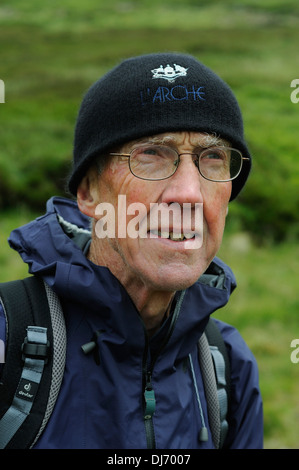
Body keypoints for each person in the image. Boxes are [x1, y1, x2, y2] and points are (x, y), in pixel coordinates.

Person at [0, 52, 263, 449]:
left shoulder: (227, 367)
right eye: (151, 154)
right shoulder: (9, 338)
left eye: (212, 158)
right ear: (88, 192)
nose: (189, 194)